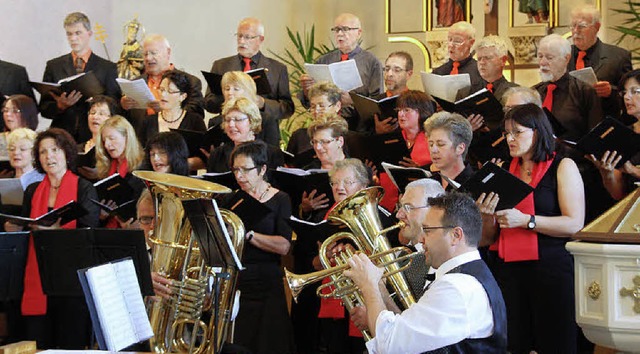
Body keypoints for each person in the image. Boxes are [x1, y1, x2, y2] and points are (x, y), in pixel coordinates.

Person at [477, 103, 585, 353]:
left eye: (517, 132)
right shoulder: (504, 170)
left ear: (537, 132)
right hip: (510, 270)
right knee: (515, 344)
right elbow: (490, 236)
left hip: (551, 269)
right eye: (506, 133)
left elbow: (574, 223)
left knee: (556, 344)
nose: (509, 139)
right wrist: (485, 216)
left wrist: (527, 221)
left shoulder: (562, 165)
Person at [344, 191, 507, 353]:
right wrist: (381, 291)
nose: (422, 239)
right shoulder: (465, 278)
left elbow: (389, 345)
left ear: (456, 235)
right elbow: (409, 332)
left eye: (428, 230)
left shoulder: (456, 287)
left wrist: (369, 285)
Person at [5, 128, 100, 349]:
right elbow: (28, 230)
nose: (49, 157)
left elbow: (90, 235)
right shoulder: (33, 190)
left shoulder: (84, 188)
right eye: (43, 152)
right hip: (38, 274)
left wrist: (57, 233)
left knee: (69, 344)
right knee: (38, 342)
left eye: (54, 150)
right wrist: (15, 230)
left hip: (72, 281)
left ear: (66, 153)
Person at [227, 140, 294, 353]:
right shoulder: (232, 200)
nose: (239, 176)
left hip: (267, 282)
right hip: (238, 280)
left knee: (269, 342)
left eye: (246, 170)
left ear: (262, 169)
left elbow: (284, 246)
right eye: (236, 170)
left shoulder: (280, 199)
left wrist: (249, 235)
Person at [38, 12, 120, 143]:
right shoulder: (54, 66)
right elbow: (44, 109)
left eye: (78, 33)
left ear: (89, 34)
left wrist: (98, 102)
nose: (73, 38)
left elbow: (115, 106)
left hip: (94, 134)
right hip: (62, 133)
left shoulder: (107, 68)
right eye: (69, 34)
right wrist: (59, 105)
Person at [204, 17, 294, 132]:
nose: (242, 41)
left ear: (261, 39)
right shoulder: (221, 66)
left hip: (264, 130)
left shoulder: (277, 69)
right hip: (229, 128)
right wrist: (229, 98)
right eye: (239, 36)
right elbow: (208, 103)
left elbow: (287, 108)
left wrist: (262, 103)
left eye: (248, 37)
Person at [299, 13, 383, 132]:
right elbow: (310, 104)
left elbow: (377, 104)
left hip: (359, 129)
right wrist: (307, 90)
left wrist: (353, 100)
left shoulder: (371, 62)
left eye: (345, 29)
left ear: (359, 33)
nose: (339, 34)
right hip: (326, 128)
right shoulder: (323, 60)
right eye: (337, 29)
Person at [120, 34, 204, 133]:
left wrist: (167, 109)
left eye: (153, 53)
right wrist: (124, 106)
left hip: (177, 141)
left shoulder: (191, 82)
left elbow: (196, 115)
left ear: (168, 52)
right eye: (145, 54)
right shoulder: (134, 83)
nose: (148, 58)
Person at [533, 34, 602, 142]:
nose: (542, 62)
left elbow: (595, 134)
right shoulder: (533, 93)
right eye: (540, 56)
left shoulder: (584, 91)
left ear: (566, 58)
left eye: (549, 57)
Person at [568, 5, 632, 119]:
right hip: (569, 129)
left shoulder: (619, 57)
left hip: (603, 126)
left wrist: (611, 92)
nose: (575, 31)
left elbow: (630, 95)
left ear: (596, 27)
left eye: (582, 26)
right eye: (573, 26)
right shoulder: (563, 55)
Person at [378, 90, 434, 211]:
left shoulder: (432, 140)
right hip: (391, 203)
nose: (400, 115)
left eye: (406, 110)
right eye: (399, 110)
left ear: (422, 112)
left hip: (422, 203)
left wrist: (419, 170)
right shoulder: (392, 139)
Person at [588, 69, 640, 200]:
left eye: (634, 91)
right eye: (625, 92)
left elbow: (631, 170)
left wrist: (633, 170)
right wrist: (607, 172)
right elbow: (618, 194)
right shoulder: (622, 133)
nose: (627, 97)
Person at [206, 97, 283, 173]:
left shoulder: (272, 154)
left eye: (238, 119)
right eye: (228, 120)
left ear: (252, 121)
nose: (231, 125)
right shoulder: (217, 155)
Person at [94, 115, 146, 227]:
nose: (107, 145)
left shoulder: (142, 168)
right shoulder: (106, 168)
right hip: (110, 229)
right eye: (104, 141)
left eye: (112, 138)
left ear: (127, 137)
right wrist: (102, 215)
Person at [296, 114, 349, 219]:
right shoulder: (306, 172)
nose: (318, 147)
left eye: (324, 142)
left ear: (340, 141)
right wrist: (305, 209)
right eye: (315, 142)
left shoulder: (358, 170)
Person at [139, 69, 206, 148]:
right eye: (161, 90)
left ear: (182, 96)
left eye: (170, 91)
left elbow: (203, 155)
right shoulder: (148, 121)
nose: (163, 95)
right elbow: (141, 152)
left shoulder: (195, 121)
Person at [211, 71, 279, 147]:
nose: (230, 93)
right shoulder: (215, 123)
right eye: (227, 89)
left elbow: (273, 153)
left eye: (236, 89)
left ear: (248, 91)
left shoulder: (267, 120)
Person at [286, 82, 343, 157]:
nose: (316, 111)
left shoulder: (350, 138)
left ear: (337, 106)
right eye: (313, 107)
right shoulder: (299, 136)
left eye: (322, 106)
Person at [424, 111, 475, 190]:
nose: (433, 150)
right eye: (431, 144)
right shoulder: (427, 184)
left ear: (460, 148)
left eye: (440, 144)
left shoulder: (475, 186)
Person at [366, 51, 414, 135]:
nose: (389, 74)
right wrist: (377, 131)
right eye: (387, 69)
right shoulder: (374, 102)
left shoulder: (417, 101)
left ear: (409, 74)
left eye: (397, 70)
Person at [76, 96, 119, 181]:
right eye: (92, 112)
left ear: (112, 118)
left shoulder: (115, 148)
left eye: (101, 114)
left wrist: (102, 173)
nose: (95, 117)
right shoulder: (77, 148)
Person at [432, 21, 482, 88]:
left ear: (471, 43)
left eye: (457, 41)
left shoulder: (480, 72)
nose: (451, 45)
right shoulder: (438, 73)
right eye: (449, 39)